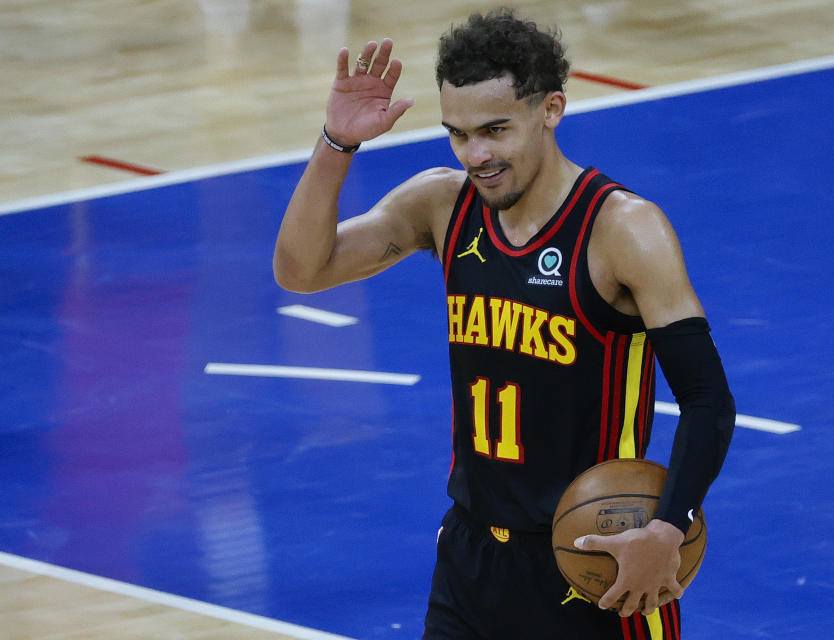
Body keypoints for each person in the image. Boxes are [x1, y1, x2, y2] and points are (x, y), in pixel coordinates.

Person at [274, 9, 735, 640]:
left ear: (551, 110)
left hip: (593, 562)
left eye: (495, 130)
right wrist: (336, 143)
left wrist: (668, 527)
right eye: (458, 134)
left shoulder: (623, 229)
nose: (477, 155)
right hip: (471, 556)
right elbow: (301, 270)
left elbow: (708, 400)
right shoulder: (442, 203)